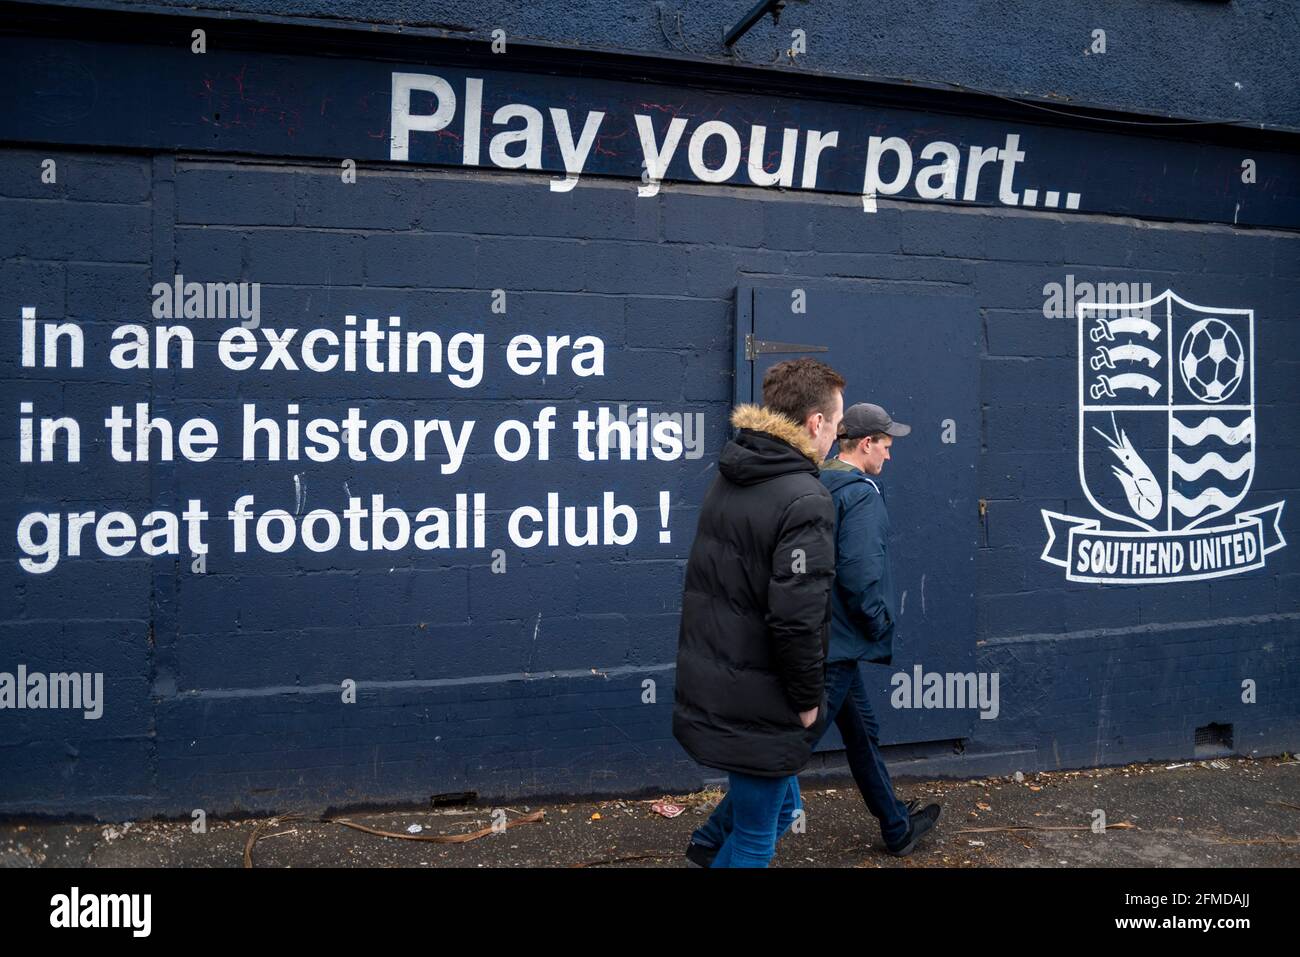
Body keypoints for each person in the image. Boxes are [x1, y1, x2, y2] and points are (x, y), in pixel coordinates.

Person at [686, 401, 940, 865]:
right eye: (886, 445)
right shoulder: (861, 493)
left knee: (862, 733)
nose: (889, 455)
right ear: (865, 444)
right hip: (831, 648)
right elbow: (860, 575)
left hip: (823, 641)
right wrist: (880, 621)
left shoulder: (816, 481)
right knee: (783, 754)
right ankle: (710, 839)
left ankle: (896, 825)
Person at [672, 357, 845, 868]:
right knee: (755, 838)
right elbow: (796, 619)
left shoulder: (733, 475)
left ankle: (704, 848)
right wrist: (807, 698)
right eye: (835, 424)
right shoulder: (806, 498)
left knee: (780, 802)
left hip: (722, 684)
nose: (837, 437)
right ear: (815, 423)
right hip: (763, 695)